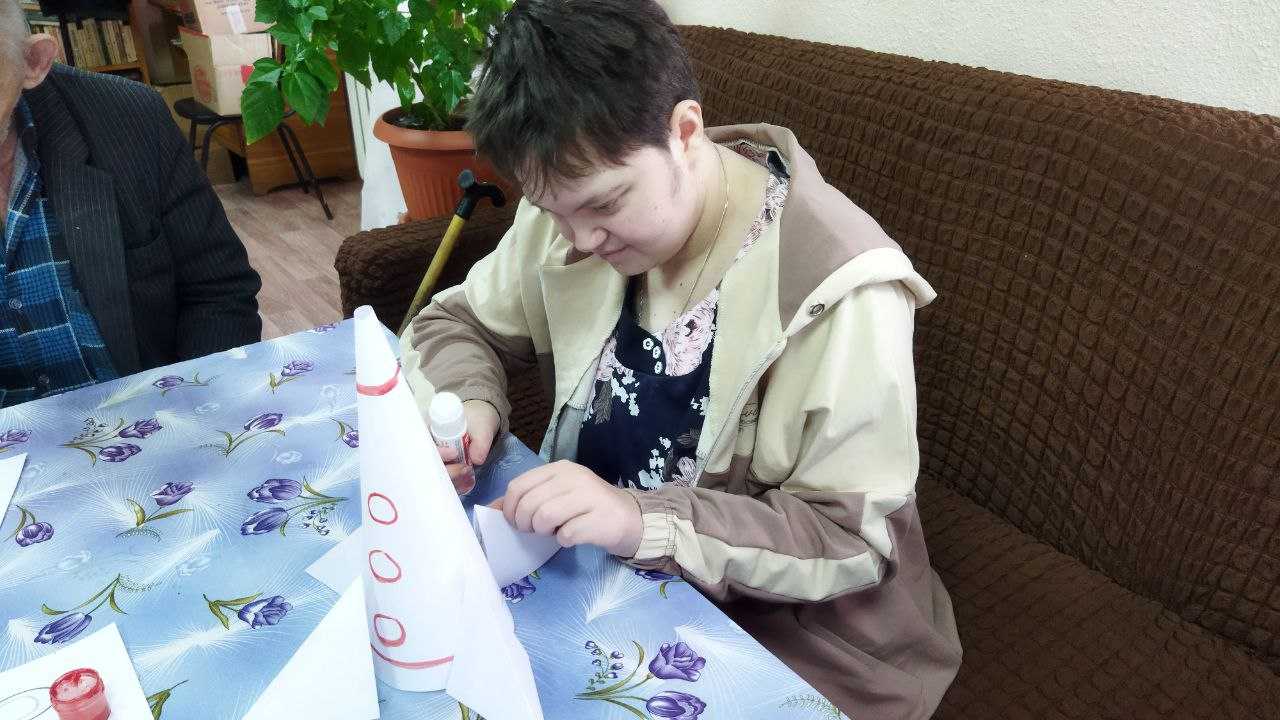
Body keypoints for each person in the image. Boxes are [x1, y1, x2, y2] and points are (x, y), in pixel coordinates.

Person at [401, 1, 962, 716]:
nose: (580, 239)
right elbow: (452, 323)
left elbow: (851, 541)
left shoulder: (842, 290)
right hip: (603, 576)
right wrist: (469, 403)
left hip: (794, 634)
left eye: (606, 205)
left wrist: (640, 520)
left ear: (686, 130)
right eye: (553, 210)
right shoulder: (570, 208)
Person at [0, 1, 261, 406]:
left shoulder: (129, 119)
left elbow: (218, 291)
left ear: (33, 62)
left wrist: (191, 409)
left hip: (153, 414)